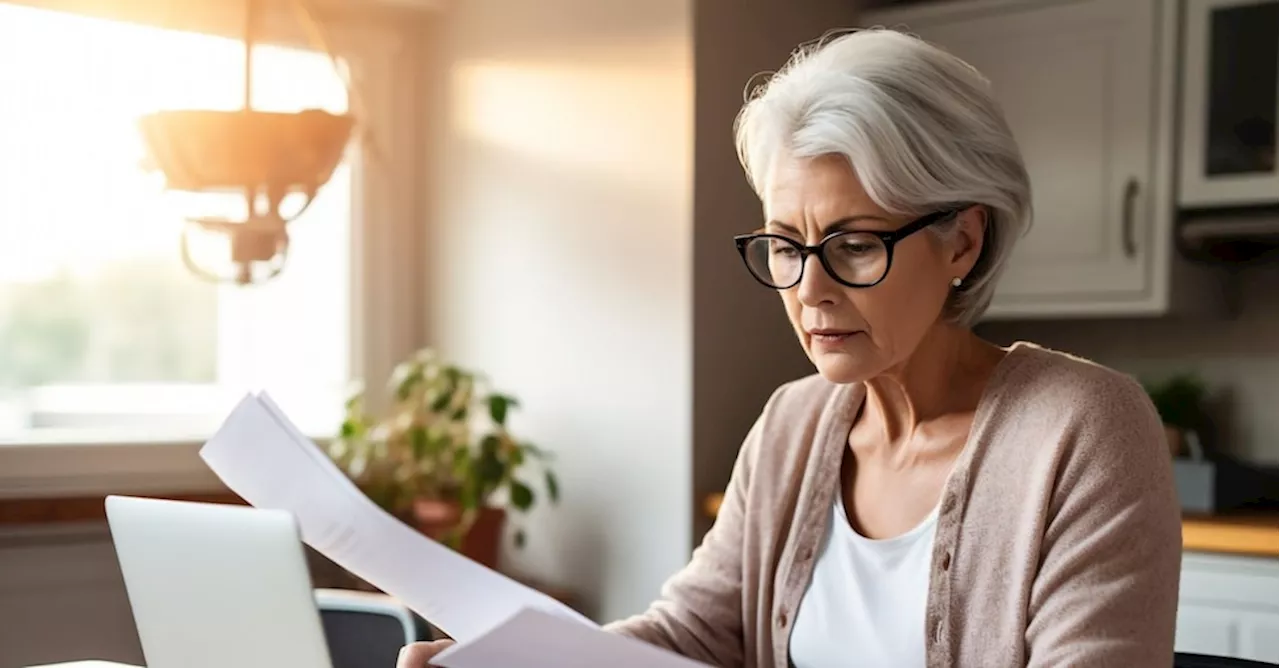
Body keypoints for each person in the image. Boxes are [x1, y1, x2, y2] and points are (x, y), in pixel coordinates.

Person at [397, 27, 1182, 668]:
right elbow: (692, 636)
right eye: (784, 244)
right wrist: (517, 664)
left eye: (854, 244)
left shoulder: (1082, 431)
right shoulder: (792, 426)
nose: (809, 289)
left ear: (963, 243)